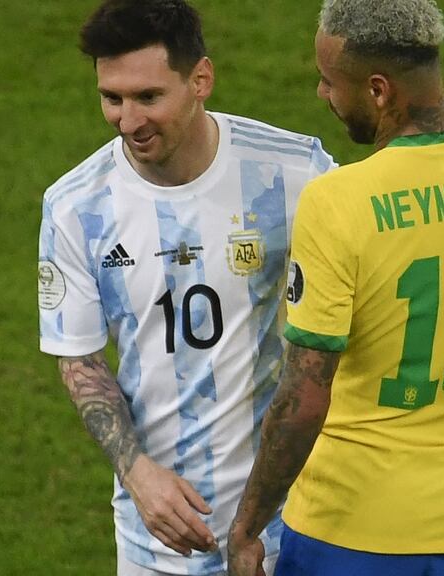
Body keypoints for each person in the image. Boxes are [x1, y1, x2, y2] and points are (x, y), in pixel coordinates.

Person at [227, 0, 444, 575]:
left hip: (347, 526)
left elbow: (305, 391)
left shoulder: (338, 200)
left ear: (378, 90)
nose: (323, 95)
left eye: (328, 81)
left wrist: (247, 527)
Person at [37, 0, 338, 573]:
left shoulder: (296, 173)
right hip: (160, 540)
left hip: (299, 523)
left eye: (148, 97)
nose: (128, 121)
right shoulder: (76, 207)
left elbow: (380, 298)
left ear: (201, 79)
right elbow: (80, 360)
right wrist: (137, 472)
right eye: (112, 98)